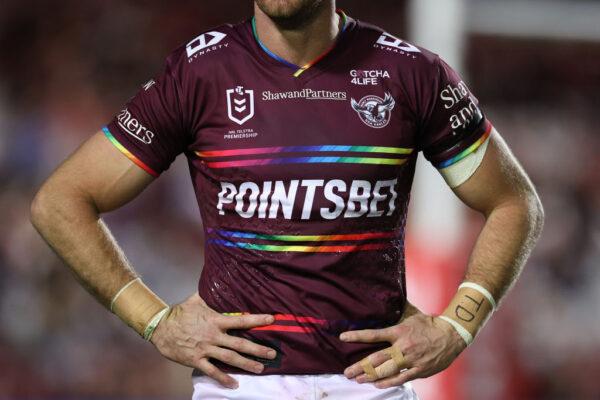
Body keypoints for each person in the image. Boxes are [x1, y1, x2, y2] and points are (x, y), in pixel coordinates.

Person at [30, 0, 544, 399]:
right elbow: (62, 200)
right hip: (241, 386)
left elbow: (514, 203)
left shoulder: (411, 74)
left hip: (370, 384)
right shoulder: (200, 74)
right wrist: (154, 321)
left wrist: (457, 325)